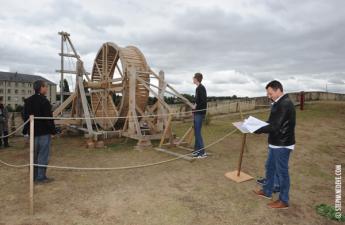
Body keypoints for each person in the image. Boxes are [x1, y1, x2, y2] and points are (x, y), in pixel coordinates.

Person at [253, 80, 296, 209]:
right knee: (270, 167)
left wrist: (256, 129)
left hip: (282, 144)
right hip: (275, 142)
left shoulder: (285, 104)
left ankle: (283, 200)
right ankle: (267, 191)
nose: (268, 96)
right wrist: (256, 124)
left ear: (278, 90)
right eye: (268, 93)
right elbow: (272, 122)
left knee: (281, 172)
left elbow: (275, 126)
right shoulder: (279, 103)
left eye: (270, 93)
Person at [23, 80, 56, 184]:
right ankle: (40, 178)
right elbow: (48, 118)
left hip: (33, 133)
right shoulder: (44, 101)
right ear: (41, 88)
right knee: (43, 155)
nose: (46, 89)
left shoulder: (28, 101)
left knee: (34, 155)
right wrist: (53, 131)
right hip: (43, 133)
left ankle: (34, 176)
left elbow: (25, 117)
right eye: (45, 87)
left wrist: (26, 130)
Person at [192, 72, 207, 158]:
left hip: (199, 113)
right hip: (197, 112)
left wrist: (195, 106)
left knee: (197, 133)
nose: (193, 79)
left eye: (194, 78)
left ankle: (202, 153)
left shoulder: (201, 88)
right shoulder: (198, 88)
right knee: (196, 132)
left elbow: (203, 101)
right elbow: (198, 100)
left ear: (196, 79)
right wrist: (194, 106)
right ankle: (197, 151)